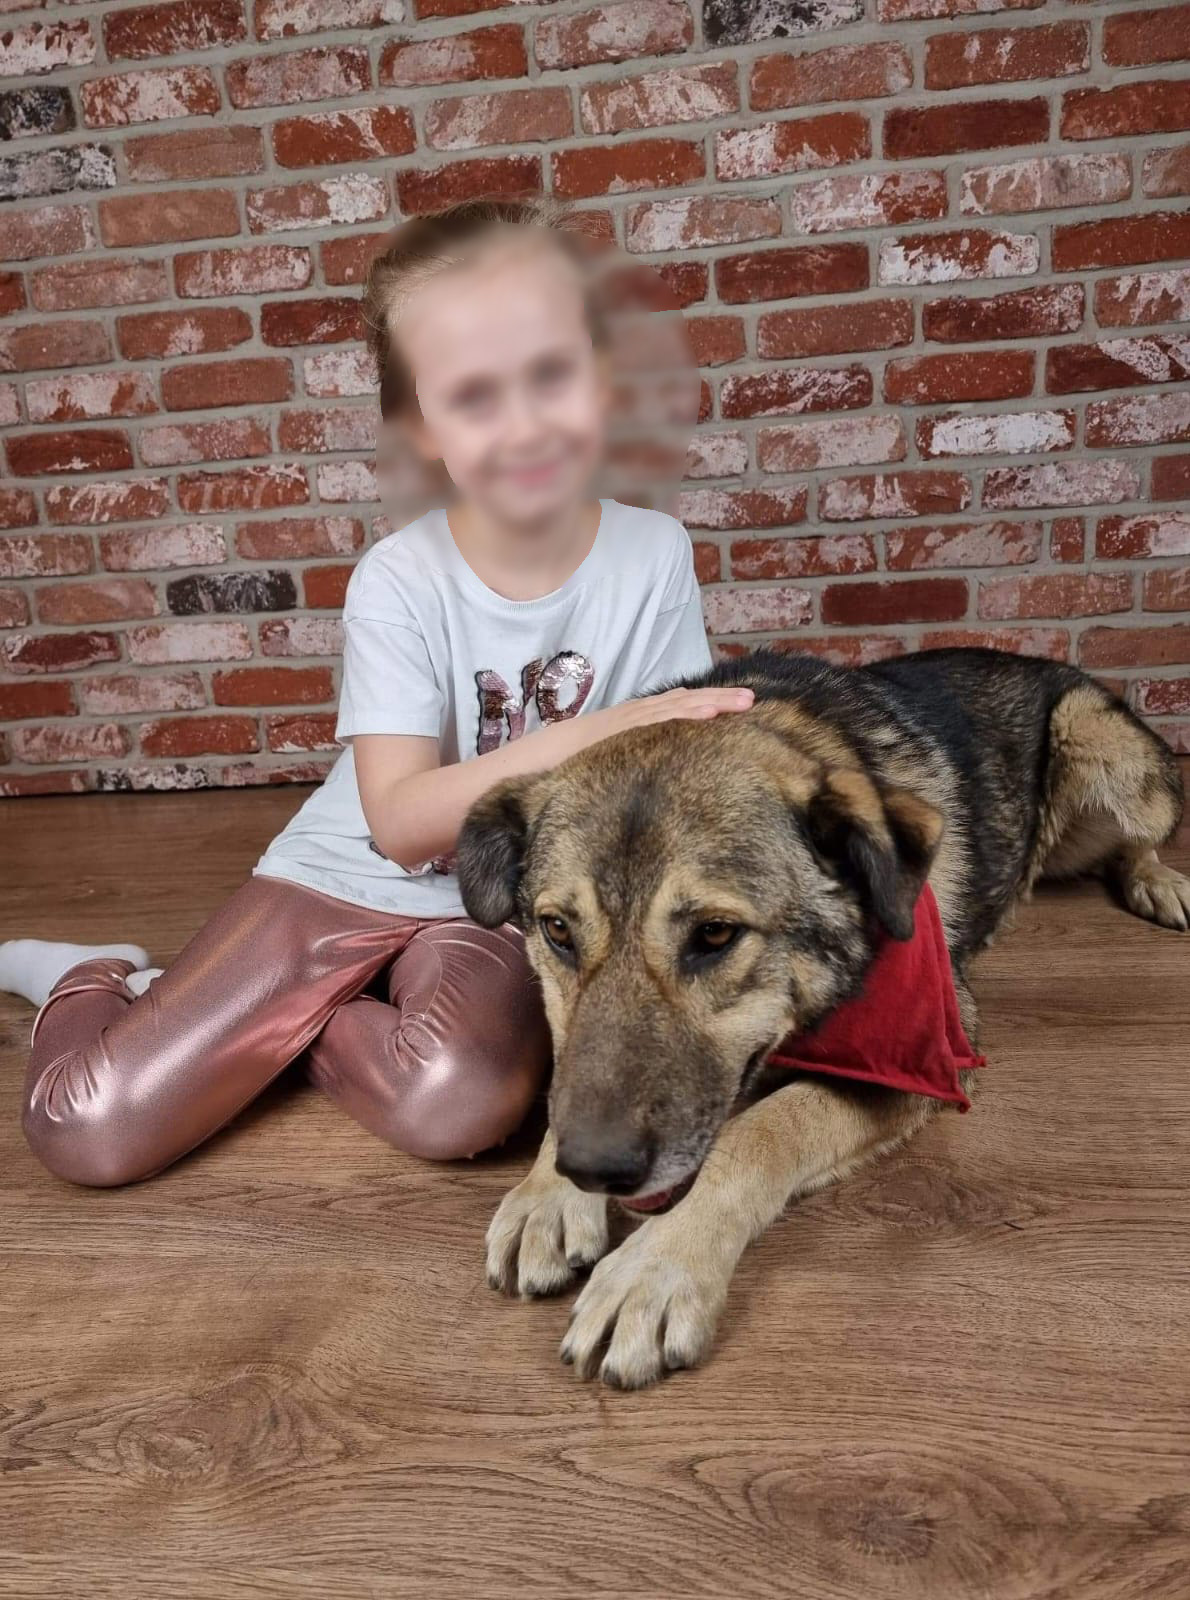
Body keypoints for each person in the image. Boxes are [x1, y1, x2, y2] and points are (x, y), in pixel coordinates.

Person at [0, 197, 754, 1188]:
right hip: (343, 874)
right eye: (473, 395)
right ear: (421, 424)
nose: (523, 423)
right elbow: (400, 824)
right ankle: (91, 978)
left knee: (463, 1098)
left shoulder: (652, 554)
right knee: (86, 1129)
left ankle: (272, 1030)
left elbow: (667, 769)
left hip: (489, 899)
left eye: (550, 374)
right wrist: (605, 730)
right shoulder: (399, 578)